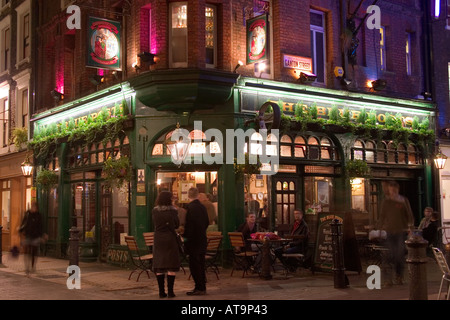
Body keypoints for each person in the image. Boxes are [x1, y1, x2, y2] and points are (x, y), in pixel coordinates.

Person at [378, 181, 414, 286]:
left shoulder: (403, 201)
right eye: (391, 190)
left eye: (394, 190)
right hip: (389, 231)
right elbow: (382, 216)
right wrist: (379, 229)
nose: (392, 192)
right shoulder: (386, 202)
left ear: (397, 190)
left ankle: (399, 277)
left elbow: (409, 215)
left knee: (399, 255)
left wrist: (410, 227)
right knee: (388, 255)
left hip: (401, 231)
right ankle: (388, 280)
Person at [152, 191, 181, 298]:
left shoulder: (155, 211)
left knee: (159, 265)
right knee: (171, 265)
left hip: (158, 238)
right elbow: (176, 224)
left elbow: (154, 224)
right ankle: (171, 292)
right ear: (169, 199)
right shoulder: (173, 211)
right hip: (170, 238)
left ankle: (161, 292)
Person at [183, 187, 209, 296]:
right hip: (202, 239)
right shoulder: (202, 207)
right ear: (197, 195)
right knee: (201, 264)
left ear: (188, 196)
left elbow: (189, 225)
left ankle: (198, 287)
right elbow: (207, 222)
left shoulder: (190, 208)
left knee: (194, 265)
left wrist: (186, 237)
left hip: (193, 241)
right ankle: (202, 286)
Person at [19, 201, 44, 276]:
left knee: (34, 252)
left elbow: (40, 226)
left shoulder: (38, 215)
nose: (33, 208)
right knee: (27, 252)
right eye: (33, 206)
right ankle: (27, 267)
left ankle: (33, 266)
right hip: (28, 235)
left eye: (35, 207)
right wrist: (20, 230)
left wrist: (42, 235)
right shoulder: (27, 214)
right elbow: (24, 223)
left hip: (35, 236)